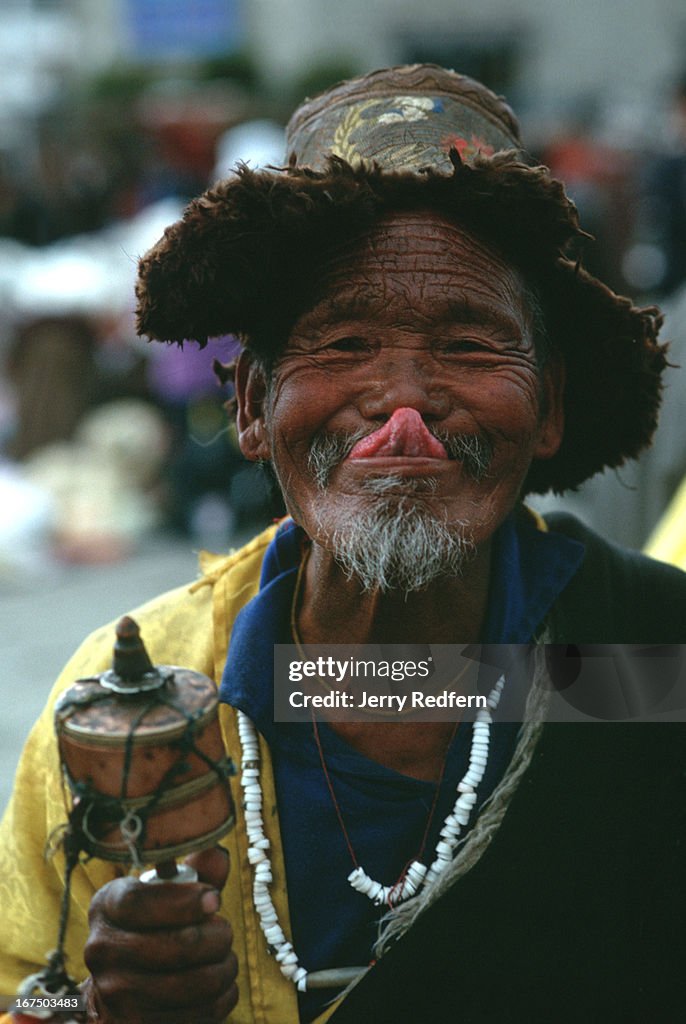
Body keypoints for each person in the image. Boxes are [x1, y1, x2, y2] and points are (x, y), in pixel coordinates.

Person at [1, 64, 685, 1024]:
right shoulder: (148, 696)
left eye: (470, 345)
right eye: (343, 344)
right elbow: (20, 980)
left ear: (551, 408)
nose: (404, 403)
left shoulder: (641, 655)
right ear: (249, 406)